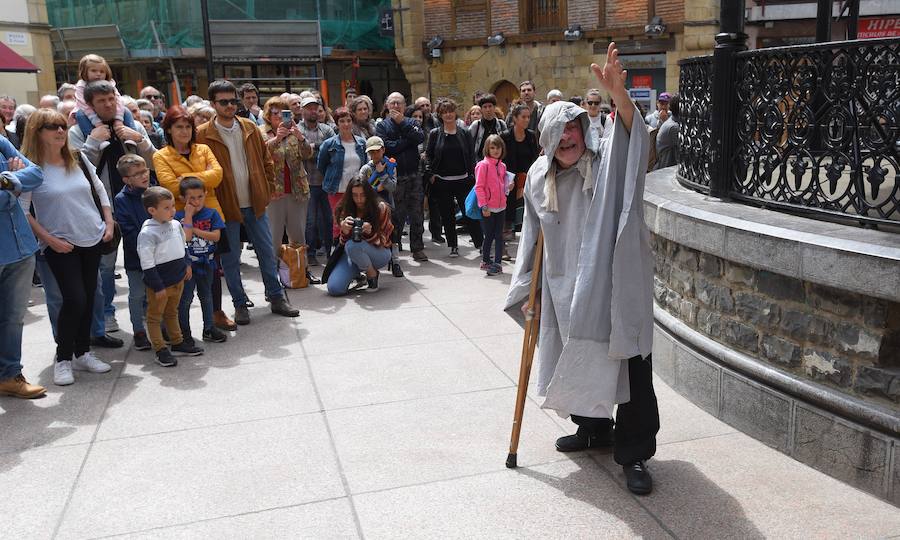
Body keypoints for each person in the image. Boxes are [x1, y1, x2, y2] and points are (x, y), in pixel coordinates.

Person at [505, 44, 659, 495]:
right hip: (563, 286)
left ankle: (634, 453)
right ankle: (593, 428)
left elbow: (634, 140)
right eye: (561, 129)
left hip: (614, 285)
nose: (570, 135)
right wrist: (523, 291)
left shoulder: (604, 162)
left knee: (631, 369)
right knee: (573, 356)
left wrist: (620, 96)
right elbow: (531, 238)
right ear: (547, 138)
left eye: (576, 126)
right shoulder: (537, 177)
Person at [20, 108, 115, 386]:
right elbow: (24, 211)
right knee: (73, 299)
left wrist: (108, 223)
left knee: (89, 297)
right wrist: (49, 240)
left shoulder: (78, 158)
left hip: (93, 237)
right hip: (60, 244)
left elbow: (99, 190)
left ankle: (83, 352)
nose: (60, 131)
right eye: (51, 127)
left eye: (62, 125)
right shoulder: (32, 168)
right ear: (37, 132)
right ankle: (63, 359)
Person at [195, 80, 299, 324]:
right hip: (225, 205)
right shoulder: (202, 134)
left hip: (255, 201)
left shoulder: (249, 127)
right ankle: (240, 304)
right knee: (231, 259)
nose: (230, 105)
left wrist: (269, 188)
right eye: (224, 102)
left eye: (233, 100)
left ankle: (276, 297)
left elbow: (265, 160)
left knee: (266, 251)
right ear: (213, 104)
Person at [153, 105, 234, 332]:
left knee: (214, 270)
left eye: (188, 126)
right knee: (184, 271)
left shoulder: (204, 149)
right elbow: (169, 184)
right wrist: (201, 179)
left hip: (211, 217)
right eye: (179, 127)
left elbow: (217, 176)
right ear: (168, 129)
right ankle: (180, 324)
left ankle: (216, 315)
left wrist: (185, 179)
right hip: (181, 220)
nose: (184, 131)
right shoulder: (161, 156)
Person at [0, 132, 46, 398]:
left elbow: (37, 174)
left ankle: (9, 375)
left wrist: (8, 180)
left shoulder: (1, 142)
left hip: (21, 248)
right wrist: (14, 186)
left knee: (13, 318)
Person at [138, 186, 204, 366]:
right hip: (160, 284)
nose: (172, 211)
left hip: (178, 279)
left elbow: (183, 245)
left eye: (173, 206)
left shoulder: (175, 224)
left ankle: (177, 343)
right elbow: (147, 263)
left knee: (171, 312)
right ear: (152, 211)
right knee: (154, 317)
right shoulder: (147, 233)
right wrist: (157, 286)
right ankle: (160, 349)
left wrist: (187, 264)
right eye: (166, 208)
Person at [425, 98, 482, 257]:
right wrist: (431, 175)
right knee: (447, 215)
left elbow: (471, 155)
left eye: (451, 111)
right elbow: (428, 156)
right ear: (440, 114)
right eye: (444, 112)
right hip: (442, 182)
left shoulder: (464, 132)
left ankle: (480, 244)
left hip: (463, 180)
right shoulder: (435, 134)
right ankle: (453, 246)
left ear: (455, 112)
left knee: (469, 213)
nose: (448, 114)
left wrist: (473, 175)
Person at [376, 92, 427, 263]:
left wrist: (402, 123)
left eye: (399, 103)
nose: (396, 106)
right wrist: (406, 142)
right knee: (396, 215)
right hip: (395, 177)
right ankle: (395, 248)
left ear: (405, 106)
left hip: (414, 175)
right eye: (393, 103)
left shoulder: (411, 122)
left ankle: (418, 248)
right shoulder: (382, 126)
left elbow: (419, 137)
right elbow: (386, 147)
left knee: (417, 213)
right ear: (387, 106)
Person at [175, 177, 227, 344]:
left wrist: (195, 229)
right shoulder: (178, 217)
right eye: (191, 198)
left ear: (205, 194)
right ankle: (184, 332)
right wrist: (188, 216)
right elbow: (186, 237)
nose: (196, 201)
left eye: (199, 197)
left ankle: (209, 328)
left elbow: (216, 236)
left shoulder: (212, 214)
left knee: (207, 296)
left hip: (207, 263)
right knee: (186, 299)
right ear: (183, 199)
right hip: (188, 265)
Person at [260, 96, 313, 248]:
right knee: (273, 236)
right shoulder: (262, 132)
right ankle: (273, 270)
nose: (279, 116)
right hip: (274, 192)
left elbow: (307, 154)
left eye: (282, 113)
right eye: (275, 112)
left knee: (298, 236)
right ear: (268, 116)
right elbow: (259, 154)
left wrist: (301, 138)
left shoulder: (295, 130)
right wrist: (277, 139)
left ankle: (299, 270)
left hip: (297, 190)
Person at [325, 178, 394, 296]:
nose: (359, 200)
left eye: (363, 195)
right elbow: (342, 244)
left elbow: (384, 240)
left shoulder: (381, 208)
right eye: (355, 195)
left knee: (353, 245)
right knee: (334, 289)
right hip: (352, 254)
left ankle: (372, 274)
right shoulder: (344, 209)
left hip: (379, 253)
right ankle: (358, 275)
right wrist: (344, 230)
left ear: (369, 193)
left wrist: (370, 232)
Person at [113, 154, 153, 351]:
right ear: (126, 180)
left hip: (159, 256)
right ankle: (138, 330)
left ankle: (160, 326)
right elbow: (128, 230)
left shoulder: (154, 192)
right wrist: (147, 243)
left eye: (145, 170)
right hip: (136, 257)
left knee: (157, 293)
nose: (144, 176)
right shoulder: (121, 199)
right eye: (137, 174)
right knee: (137, 294)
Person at [297, 95, 335, 267]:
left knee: (329, 219)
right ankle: (311, 253)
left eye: (315, 108)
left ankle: (330, 252)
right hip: (307, 183)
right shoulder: (297, 130)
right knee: (310, 221)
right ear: (302, 110)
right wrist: (318, 148)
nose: (313, 111)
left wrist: (311, 149)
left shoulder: (326, 129)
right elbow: (298, 153)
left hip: (326, 183)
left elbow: (332, 151)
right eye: (309, 108)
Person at [317, 107, 367, 239]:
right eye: (342, 121)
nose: (346, 124)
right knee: (338, 223)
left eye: (349, 120)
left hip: (357, 190)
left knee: (357, 221)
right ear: (337, 123)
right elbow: (322, 166)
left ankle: (355, 251)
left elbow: (365, 166)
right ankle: (338, 253)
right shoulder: (329, 144)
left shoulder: (361, 143)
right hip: (337, 190)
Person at [357, 136, 399, 276]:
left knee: (392, 234)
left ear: (383, 150)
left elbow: (392, 187)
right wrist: (375, 189)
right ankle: (370, 264)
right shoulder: (365, 168)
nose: (375, 155)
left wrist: (382, 173)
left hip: (387, 206)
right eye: (371, 152)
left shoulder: (390, 166)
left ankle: (396, 262)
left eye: (377, 151)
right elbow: (361, 187)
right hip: (370, 207)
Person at [73, 54, 137, 144]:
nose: (98, 74)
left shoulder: (110, 83)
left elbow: (118, 101)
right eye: (94, 71)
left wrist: (119, 120)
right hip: (87, 112)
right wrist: (98, 124)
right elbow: (85, 105)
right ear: (84, 72)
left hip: (113, 116)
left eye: (102, 71)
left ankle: (131, 137)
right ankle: (95, 139)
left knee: (126, 110)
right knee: (80, 114)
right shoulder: (81, 86)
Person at [500, 103, 540, 245]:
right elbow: (501, 157)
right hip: (509, 176)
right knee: (509, 202)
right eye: (523, 117)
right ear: (515, 118)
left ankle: (529, 230)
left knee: (528, 203)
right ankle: (507, 228)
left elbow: (535, 157)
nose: (526, 120)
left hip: (527, 175)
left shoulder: (531, 136)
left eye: (528, 117)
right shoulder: (505, 136)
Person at [474, 134, 509, 276]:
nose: (495, 150)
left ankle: (498, 263)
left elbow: (503, 184)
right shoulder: (483, 165)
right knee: (489, 235)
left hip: (501, 206)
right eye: (492, 147)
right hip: (488, 207)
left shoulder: (502, 166)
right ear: (487, 149)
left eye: (498, 147)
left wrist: (509, 186)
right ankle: (486, 260)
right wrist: (484, 205)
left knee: (499, 236)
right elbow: (479, 187)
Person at [469, 94, 508, 160]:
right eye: (485, 107)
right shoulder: (476, 125)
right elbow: (469, 145)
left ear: (494, 107)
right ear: (481, 109)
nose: (488, 109)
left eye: (490, 106)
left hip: (498, 163)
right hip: (480, 163)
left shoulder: (501, 124)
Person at [654, 93, 681, 170]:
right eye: (661, 103)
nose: (663, 106)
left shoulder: (671, 122)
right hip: (666, 171)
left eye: (666, 104)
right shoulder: (673, 127)